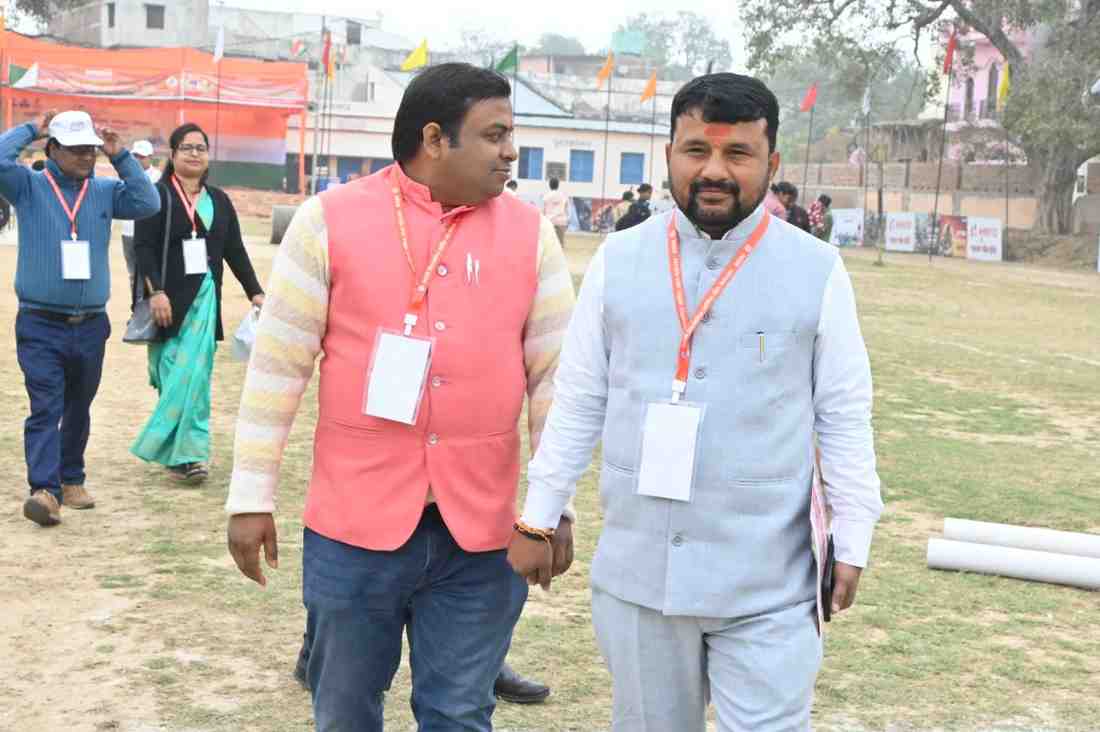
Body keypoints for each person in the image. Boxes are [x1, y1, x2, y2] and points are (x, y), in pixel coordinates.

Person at [508, 73, 883, 731]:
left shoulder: (817, 271)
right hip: (640, 577)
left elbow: (844, 414)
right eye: (696, 151)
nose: (714, 171)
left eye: (737, 153)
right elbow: (581, 397)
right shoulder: (619, 259)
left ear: (772, 163)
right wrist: (540, 515)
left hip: (769, 582)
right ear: (669, 155)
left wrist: (853, 535)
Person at [224, 63, 576, 730]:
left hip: (482, 537)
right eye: (495, 135)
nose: (511, 152)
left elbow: (555, 382)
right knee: (345, 712)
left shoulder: (532, 235)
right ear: (435, 139)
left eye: (511, 135)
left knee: (459, 714)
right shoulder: (326, 222)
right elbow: (277, 370)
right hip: (354, 529)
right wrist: (249, 498)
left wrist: (551, 509)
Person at [0, 110, 159, 527]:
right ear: (52, 148)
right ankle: (45, 490)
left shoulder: (104, 191)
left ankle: (71, 479)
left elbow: (148, 202)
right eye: (75, 149)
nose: (86, 155)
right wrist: (30, 129)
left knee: (79, 406)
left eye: (90, 148)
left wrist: (120, 156)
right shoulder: (28, 186)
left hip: (90, 324)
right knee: (45, 405)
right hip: (40, 322)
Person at [130, 123, 264, 485]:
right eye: (187, 147)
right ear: (172, 154)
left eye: (200, 148)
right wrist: (156, 292)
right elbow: (143, 248)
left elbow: (235, 250)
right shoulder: (156, 196)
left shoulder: (219, 200)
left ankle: (190, 455)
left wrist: (255, 291)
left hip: (205, 301)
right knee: (173, 375)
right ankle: (174, 450)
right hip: (167, 303)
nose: (194, 154)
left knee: (195, 378)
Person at [121, 139, 162, 290]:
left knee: (150, 271)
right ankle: (137, 301)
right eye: (135, 156)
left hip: (150, 234)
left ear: (150, 157)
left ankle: (150, 298)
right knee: (133, 273)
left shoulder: (158, 177)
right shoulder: (125, 175)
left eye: (142, 156)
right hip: (128, 233)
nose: (138, 160)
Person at [541, 176, 569, 244]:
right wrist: (566, 219)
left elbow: (543, 211)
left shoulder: (546, 196)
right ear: (558, 185)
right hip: (561, 221)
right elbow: (566, 209)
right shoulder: (563, 195)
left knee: (549, 243)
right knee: (560, 243)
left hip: (549, 221)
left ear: (549, 185)